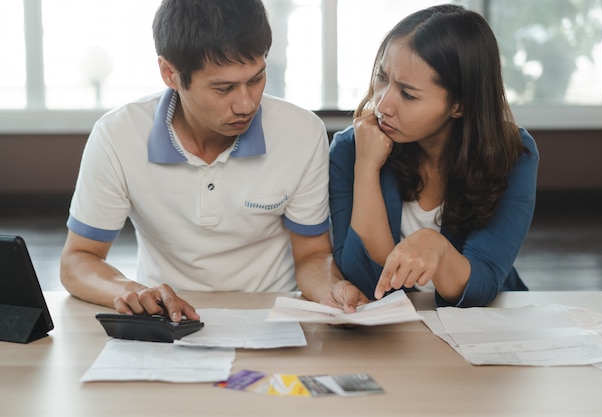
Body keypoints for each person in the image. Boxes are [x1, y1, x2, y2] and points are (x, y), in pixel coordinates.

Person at [60, 0, 365, 321]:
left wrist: (332, 288)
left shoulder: (302, 132)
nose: (246, 104)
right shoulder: (118, 135)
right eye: (223, 88)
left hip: (273, 317)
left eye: (257, 79)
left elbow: (313, 254)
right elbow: (78, 259)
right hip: (169, 321)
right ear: (170, 74)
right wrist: (129, 291)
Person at [329, 4, 539, 307]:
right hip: (391, 336)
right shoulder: (353, 147)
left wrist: (436, 249)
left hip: (485, 330)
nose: (383, 104)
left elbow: (483, 282)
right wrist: (366, 168)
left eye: (408, 94)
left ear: (459, 105)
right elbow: (364, 281)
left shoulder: (512, 153)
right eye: (382, 77)